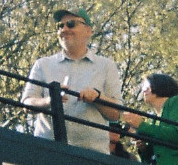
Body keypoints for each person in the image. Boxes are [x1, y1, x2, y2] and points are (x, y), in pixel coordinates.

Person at [20, 9, 122, 154]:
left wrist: (97, 98)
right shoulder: (42, 65)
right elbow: (27, 103)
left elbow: (116, 114)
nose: (64, 29)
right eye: (60, 26)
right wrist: (51, 100)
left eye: (71, 24)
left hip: (92, 154)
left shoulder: (106, 66)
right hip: (47, 151)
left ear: (88, 31)